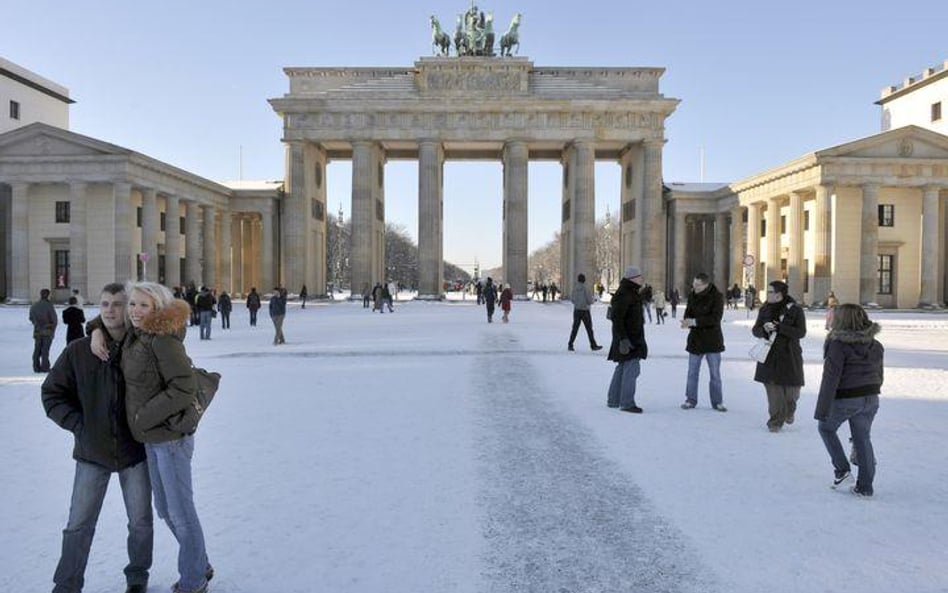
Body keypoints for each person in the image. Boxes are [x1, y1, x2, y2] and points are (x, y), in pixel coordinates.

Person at [42, 282, 154, 593]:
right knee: (78, 525)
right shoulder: (78, 351)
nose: (110, 310)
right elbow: (52, 394)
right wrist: (80, 425)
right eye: (104, 304)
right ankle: (67, 584)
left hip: (135, 451)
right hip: (92, 452)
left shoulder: (143, 347)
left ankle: (137, 577)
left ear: (128, 308)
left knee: (141, 523)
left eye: (118, 304)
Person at [111, 282, 212, 593]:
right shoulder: (135, 335)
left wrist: (144, 416)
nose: (135, 311)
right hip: (152, 439)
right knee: (166, 510)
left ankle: (193, 581)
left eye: (144, 305)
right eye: (133, 304)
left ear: (157, 308)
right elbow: (104, 320)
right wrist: (98, 331)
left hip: (170, 439)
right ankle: (200, 563)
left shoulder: (162, 341)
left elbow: (183, 388)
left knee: (180, 512)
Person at [814, 304, 883, 497]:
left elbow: (830, 378)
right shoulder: (875, 344)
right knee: (863, 438)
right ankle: (865, 487)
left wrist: (822, 410)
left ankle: (842, 471)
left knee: (826, 428)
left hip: (847, 398)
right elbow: (879, 374)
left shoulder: (837, 344)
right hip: (871, 398)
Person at [752, 280, 807, 432]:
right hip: (769, 355)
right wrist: (764, 330)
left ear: (778, 295)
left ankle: (789, 409)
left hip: (790, 355)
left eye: (770, 291)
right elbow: (755, 330)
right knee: (773, 390)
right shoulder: (764, 310)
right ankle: (775, 421)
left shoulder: (795, 310)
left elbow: (801, 332)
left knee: (792, 391)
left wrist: (780, 328)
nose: (766, 294)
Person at [679, 273, 727, 411]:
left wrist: (695, 321)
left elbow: (715, 318)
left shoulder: (717, 297)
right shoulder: (693, 295)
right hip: (696, 340)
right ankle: (690, 399)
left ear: (706, 285)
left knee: (715, 374)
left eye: (698, 285)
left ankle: (717, 402)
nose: (695, 287)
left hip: (712, 340)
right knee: (692, 372)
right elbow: (688, 312)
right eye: (694, 284)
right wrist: (687, 321)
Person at [607, 266, 648, 413]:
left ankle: (613, 399)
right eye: (639, 276)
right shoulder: (626, 293)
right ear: (633, 278)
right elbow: (617, 318)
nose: (641, 279)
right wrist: (624, 339)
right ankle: (626, 402)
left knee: (622, 367)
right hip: (629, 338)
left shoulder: (629, 292)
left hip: (629, 337)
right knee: (632, 369)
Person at [567, 273, 602, 351]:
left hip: (576, 310)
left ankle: (570, 344)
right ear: (584, 280)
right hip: (585, 311)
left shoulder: (575, 288)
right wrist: (592, 301)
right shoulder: (586, 288)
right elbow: (589, 300)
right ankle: (593, 345)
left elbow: (572, 299)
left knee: (575, 328)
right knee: (589, 329)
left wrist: (577, 303)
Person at [30, 288, 58, 373]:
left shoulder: (34, 305)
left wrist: (36, 324)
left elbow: (31, 318)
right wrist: (52, 329)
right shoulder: (49, 306)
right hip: (47, 331)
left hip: (37, 331)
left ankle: (36, 366)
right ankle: (45, 367)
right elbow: (54, 319)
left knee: (37, 349)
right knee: (45, 350)